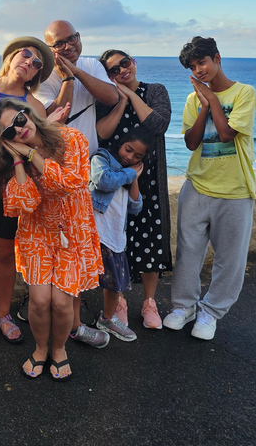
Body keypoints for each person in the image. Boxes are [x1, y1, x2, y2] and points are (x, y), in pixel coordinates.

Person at [0, 98, 102, 381]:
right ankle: (39, 349)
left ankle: (59, 350)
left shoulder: (71, 138)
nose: (18, 130)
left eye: (19, 121)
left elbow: (69, 184)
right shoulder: (15, 159)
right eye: (9, 132)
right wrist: (17, 160)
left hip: (73, 232)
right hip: (37, 231)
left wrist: (32, 153)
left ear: (28, 114)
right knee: (38, 301)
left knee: (61, 303)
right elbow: (23, 204)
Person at [163, 36, 256, 341]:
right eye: (192, 66)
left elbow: (228, 133)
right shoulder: (194, 99)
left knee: (229, 259)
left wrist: (214, 100)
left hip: (236, 190)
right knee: (188, 252)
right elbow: (192, 142)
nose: (198, 69)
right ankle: (184, 307)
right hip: (198, 186)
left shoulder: (245, 93)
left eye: (201, 62)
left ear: (217, 58)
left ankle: (211, 312)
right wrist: (203, 105)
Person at [34, 20, 119, 348]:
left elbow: (110, 96)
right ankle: (61, 318)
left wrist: (76, 72)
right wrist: (66, 78)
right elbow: (53, 115)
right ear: (50, 48)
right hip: (52, 173)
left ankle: (71, 318)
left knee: (77, 251)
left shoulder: (91, 64)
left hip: (83, 175)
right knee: (55, 245)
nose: (68, 46)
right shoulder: (44, 75)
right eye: (60, 44)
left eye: (72, 39)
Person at [0, 37, 53, 344]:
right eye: (26, 55)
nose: (29, 63)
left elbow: (41, 145)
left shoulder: (34, 106)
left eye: (37, 64)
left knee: (2, 252)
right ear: (9, 56)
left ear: (36, 75)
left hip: (7, 186)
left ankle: (3, 314)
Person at [97, 50, 173, 329]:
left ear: (134, 62)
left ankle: (150, 301)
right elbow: (103, 133)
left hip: (148, 178)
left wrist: (132, 95)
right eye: (113, 71)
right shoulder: (107, 97)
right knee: (117, 241)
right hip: (115, 181)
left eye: (124, 63)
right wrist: (119, 100)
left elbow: (158, 125)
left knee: (149, 238)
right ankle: (118, 301)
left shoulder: (155, 91)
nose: (121, 71)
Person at [90, 131, 151, 342]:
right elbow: (102, 180)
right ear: (120, 143)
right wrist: (129, 174)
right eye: (128, 149)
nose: (130, 157)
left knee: (114, 283)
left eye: (137, 157)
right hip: (94, 231)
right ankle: (74, 325)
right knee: (80, 281)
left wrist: (133, 177)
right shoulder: (102, 158)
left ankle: (106, 318)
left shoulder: (128, 173)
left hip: (115, 235)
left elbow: (136, 206)